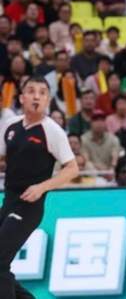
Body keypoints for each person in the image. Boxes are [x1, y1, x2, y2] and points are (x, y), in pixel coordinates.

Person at [0, 76, 78, 299]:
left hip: (29, 206)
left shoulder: (52, 131)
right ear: (21, 98)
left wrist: (42, 187)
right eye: (31, 91)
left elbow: (72, 169)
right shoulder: (10, 125)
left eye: (42, 93)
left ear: (48, 100)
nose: (36, 97)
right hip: (9, 201)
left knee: (0, 260)